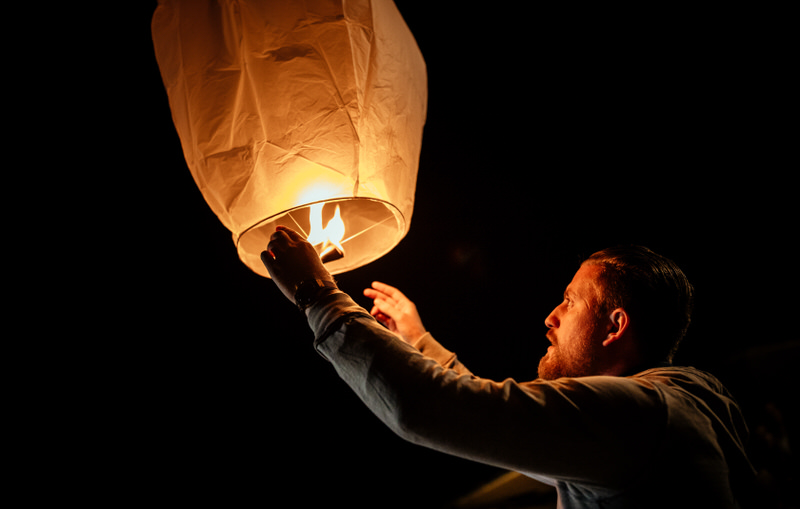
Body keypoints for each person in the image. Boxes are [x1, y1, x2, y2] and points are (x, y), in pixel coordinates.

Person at [261, 226, 757, 508]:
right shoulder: (664, 414)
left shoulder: (640, 414)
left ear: (614, 326)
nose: (550, 317)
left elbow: (432, 408)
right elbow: (494, 418)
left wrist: (318, 297)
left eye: (569, 301)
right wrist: (418, 341)